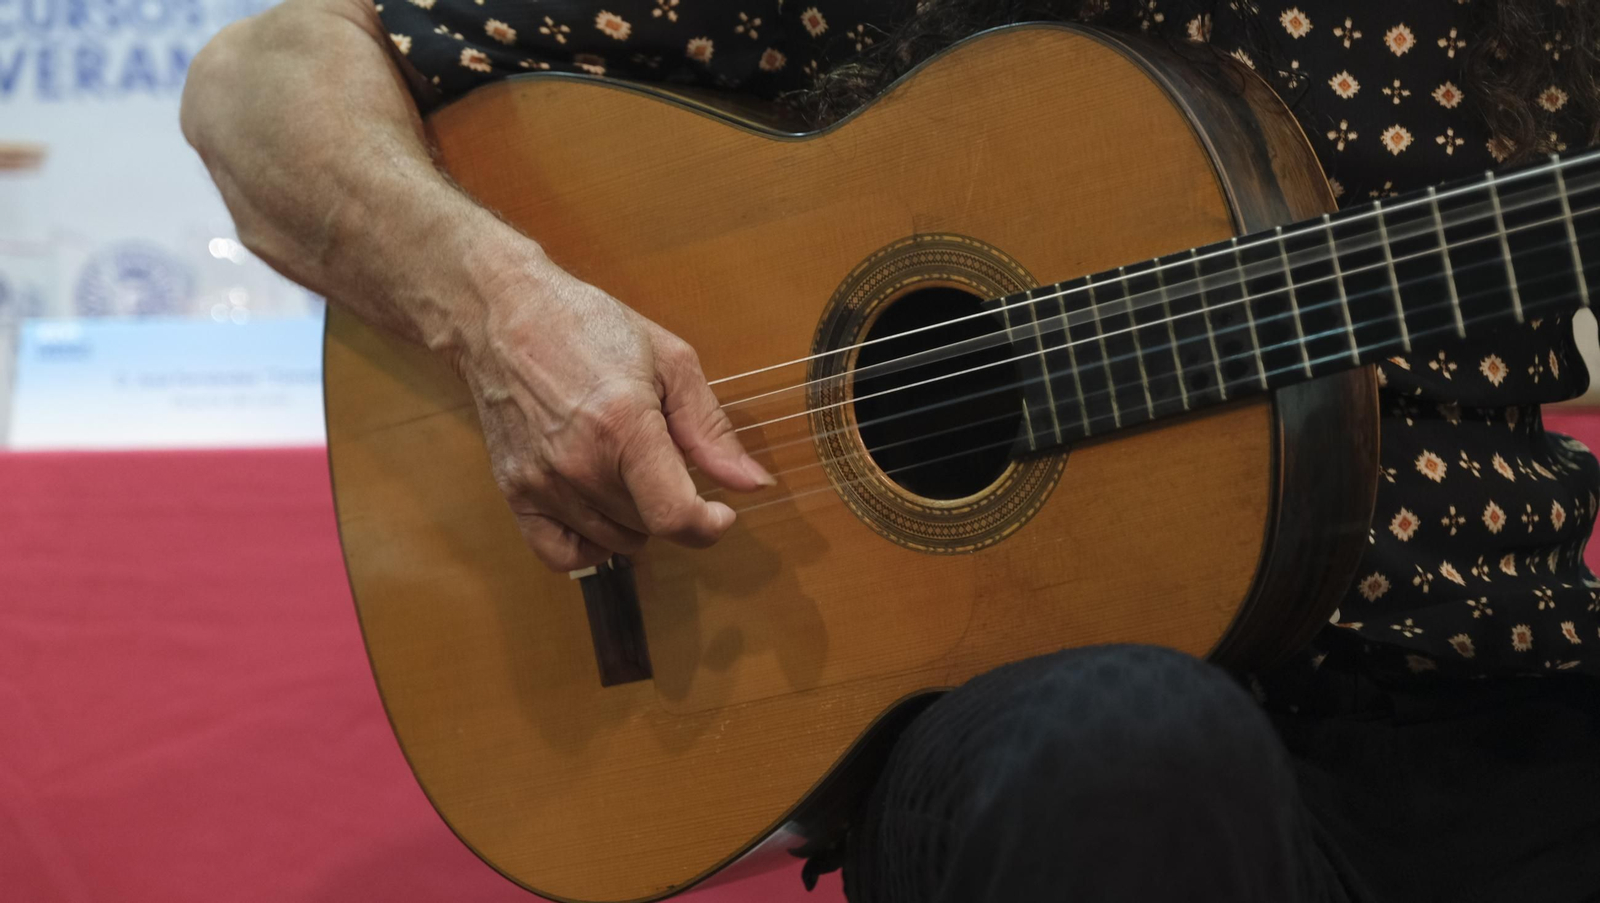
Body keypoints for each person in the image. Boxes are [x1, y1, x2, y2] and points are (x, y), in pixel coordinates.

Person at [180, 1, 1600, 900]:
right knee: (1133, 749)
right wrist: (512, 320)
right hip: (1033, 741)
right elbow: (260, 83)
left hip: (1500, 693)